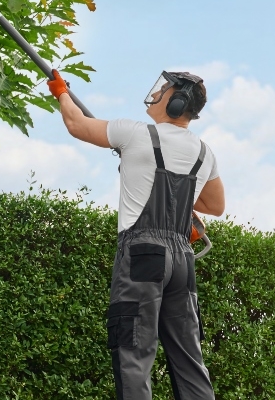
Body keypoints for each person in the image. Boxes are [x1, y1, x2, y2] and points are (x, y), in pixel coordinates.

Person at [47, 69, 224, 400]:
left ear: (177, 101)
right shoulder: (204, 153)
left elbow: (76, 124)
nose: (155, 95)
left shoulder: (134, 133)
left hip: (143, 254)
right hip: (183, 262)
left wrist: (61, 91)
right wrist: (179, 202)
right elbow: (215, 205)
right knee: (189, 358)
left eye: (163, 91)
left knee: (133, 352)